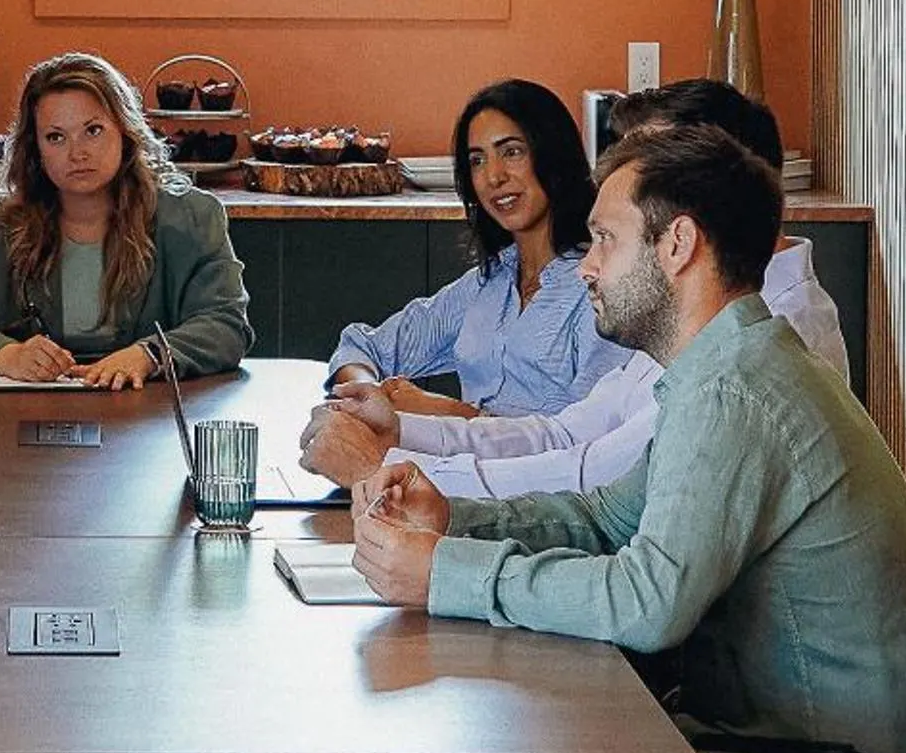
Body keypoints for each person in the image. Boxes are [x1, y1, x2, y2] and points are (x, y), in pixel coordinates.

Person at [347, 123, 906, 753]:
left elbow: (646, 604)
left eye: (604, 240)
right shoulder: (730, 369)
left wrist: (444, 575)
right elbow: (608, 517)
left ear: (677, 247)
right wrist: (454, 517)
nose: (587, 267)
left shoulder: (736, 393)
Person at [301, 79, 847, 496]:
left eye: (645, 173)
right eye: (477, 160)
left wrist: (388, 470)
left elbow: (594, 481)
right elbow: (566, 437)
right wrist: (401, 428)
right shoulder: (707, 315)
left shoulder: (767, 342)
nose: (492, 176)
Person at [0, 50, 252, 387]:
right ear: (35, 149)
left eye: (93, 130)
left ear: (125, 131)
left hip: (147, 415)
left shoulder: (193, 216)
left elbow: (226, 325)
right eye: (56, 137)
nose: (77, 153)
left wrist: (150, 355)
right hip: (27, 412)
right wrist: (3, 355)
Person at [324, 78, 629, 418]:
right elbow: (361, 347)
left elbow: (593, 437)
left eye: (511, 152)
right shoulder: (486, 285)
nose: (493, 177)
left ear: (552, 154)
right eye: (477, 160)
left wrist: (450, 413)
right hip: (449, 467)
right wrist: (373, 396)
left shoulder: (597, 290)